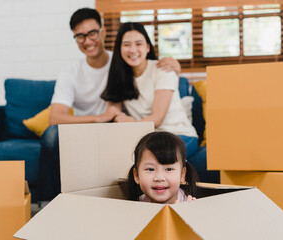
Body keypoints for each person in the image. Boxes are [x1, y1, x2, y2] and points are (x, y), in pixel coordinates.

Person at [37, 8, 181, 202]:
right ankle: (48, 201)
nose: (87, 41)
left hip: (114, 127)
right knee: (52, 135)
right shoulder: (71, 73)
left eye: (92, 33)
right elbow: (55, 117)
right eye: (80, 36)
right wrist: (99, 117)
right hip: (86, 127)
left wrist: (176, 67)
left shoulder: (123, 61)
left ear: (103, 32)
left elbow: (149, 69)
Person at [101, 22, 198, 158]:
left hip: (179, 134)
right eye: (127, 44)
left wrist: (132, 125)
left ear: (147, 47)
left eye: (139, 44)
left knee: (150, 158)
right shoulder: (119, 77)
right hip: (147, 137)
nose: (133, 50)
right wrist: (119, 117)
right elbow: (113, 112)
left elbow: (157, 118)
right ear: (119, 48)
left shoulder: (163, 70)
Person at [127, 131, 199, 204]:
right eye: (150, 169)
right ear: (136, 175)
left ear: (182, 175)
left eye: (169, 169)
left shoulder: (188, 204)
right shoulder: (139, 205)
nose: (159, 178)